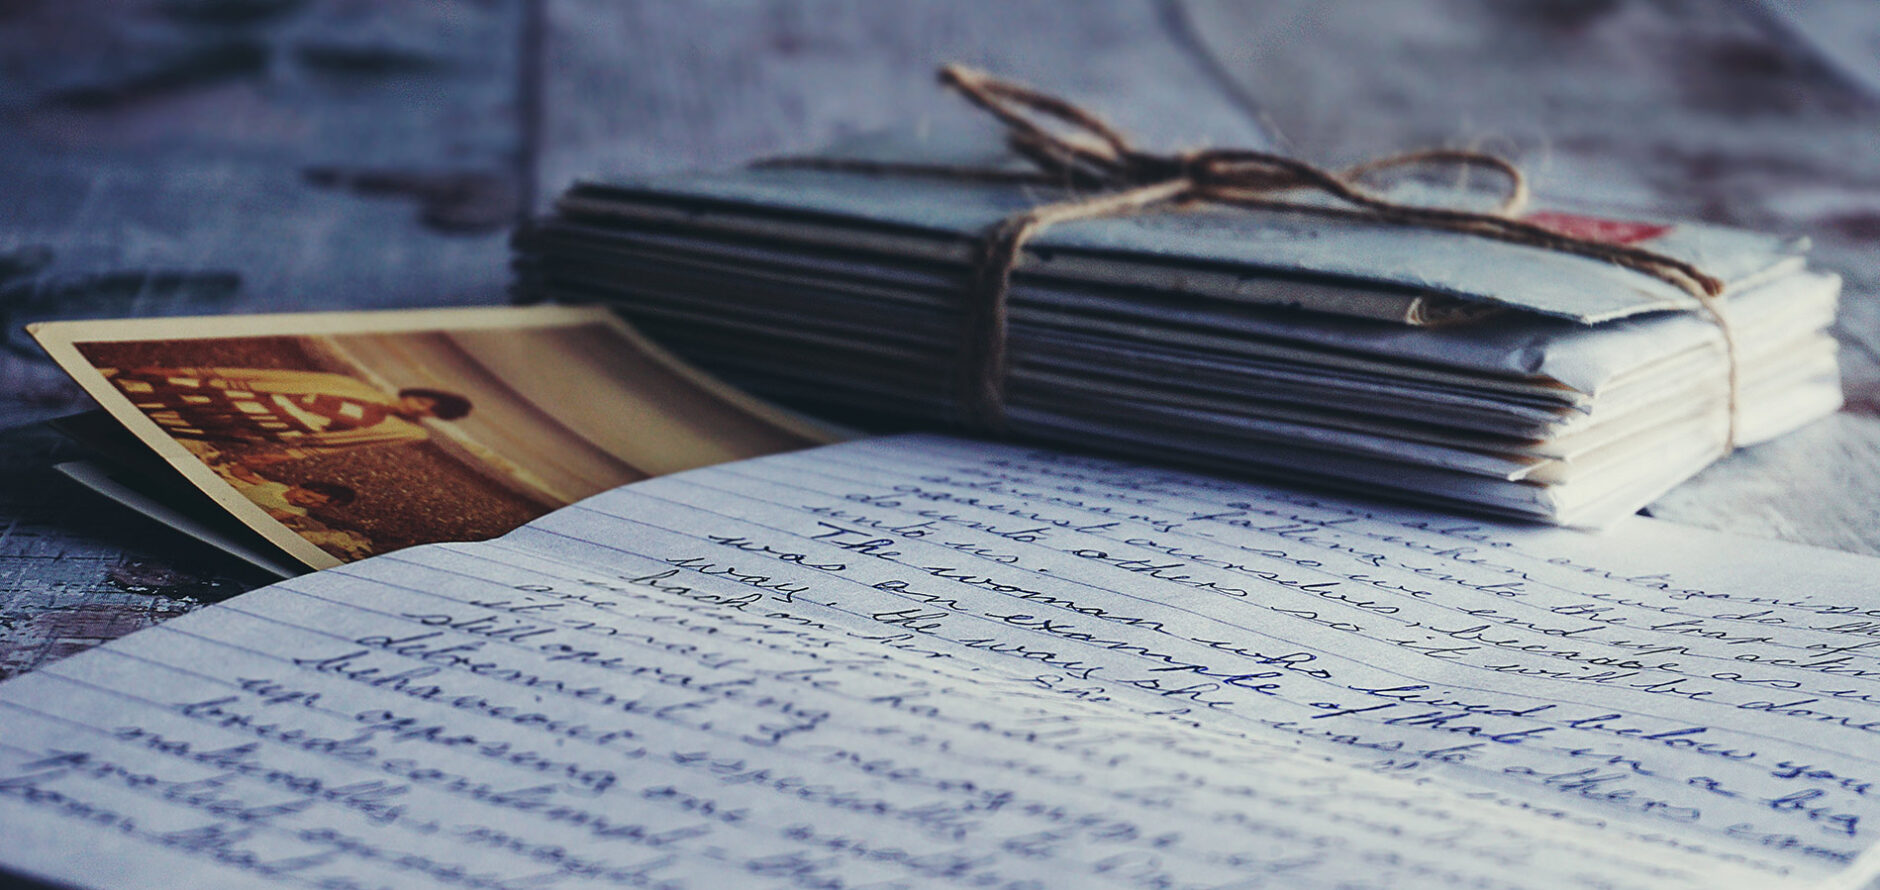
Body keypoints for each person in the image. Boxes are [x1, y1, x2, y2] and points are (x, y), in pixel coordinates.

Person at [103, 366, 471, 457]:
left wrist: (271, 458)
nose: (420, 408)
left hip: (260, 426)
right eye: (424, 399)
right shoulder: (352, 385)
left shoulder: (405, 431)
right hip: (239, 400)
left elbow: (328, 446)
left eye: (431, 411)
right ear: (416, 393)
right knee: (149, 394)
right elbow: (266, 377)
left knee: (172, 429)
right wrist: (182, 374)